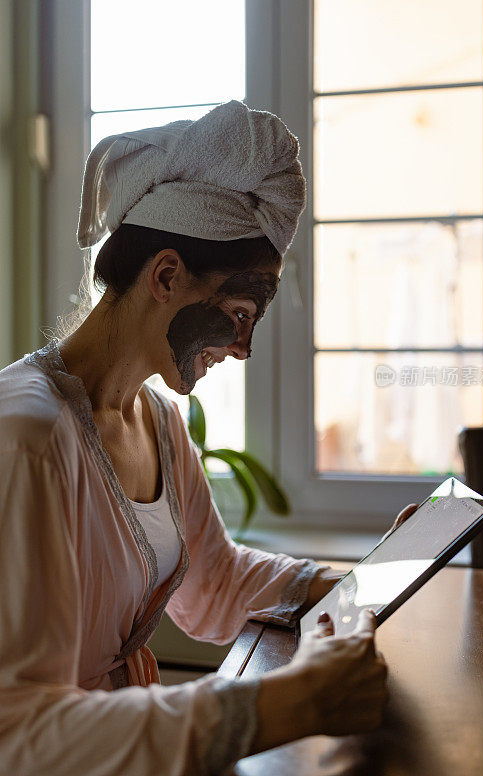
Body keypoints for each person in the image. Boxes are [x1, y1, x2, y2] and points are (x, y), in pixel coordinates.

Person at [0, 100, 414, 775]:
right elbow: (15, 734)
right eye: (238, 313)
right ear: (166, 276)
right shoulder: (26, 439)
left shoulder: (159, 422)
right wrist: (290, 704)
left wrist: (361, 584)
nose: (243, 347)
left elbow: (213, 579)